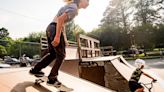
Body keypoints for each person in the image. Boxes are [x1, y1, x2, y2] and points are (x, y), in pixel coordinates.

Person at [29, 0, 89, 86]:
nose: (88, 4)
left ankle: (36, 69)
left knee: (53, 54)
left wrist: (64, 38)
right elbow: (60, 20)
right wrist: (57, 36)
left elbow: (62, 22)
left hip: (50, 28)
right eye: (87, 1)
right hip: (55, 29)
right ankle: (52, 78)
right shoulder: (74, 9)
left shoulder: (70, 6)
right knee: (61, 55)